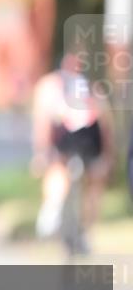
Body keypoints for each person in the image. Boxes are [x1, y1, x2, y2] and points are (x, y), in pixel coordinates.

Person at [30, 52, 114, 254]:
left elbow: (42, 120)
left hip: (74, 140)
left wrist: (41, 153)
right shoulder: (90, 88)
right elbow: (106, 125)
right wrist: (108, 156)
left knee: (60, 171)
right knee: (85, 180)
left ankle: (54, 213)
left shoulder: (50, 85)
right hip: (84, 141)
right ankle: (66, 219)